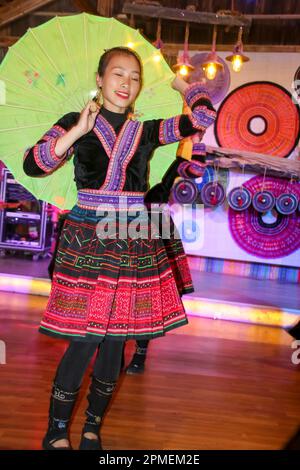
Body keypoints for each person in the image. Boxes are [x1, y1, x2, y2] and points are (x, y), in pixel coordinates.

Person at [23, 46, 216, 450]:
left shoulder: (146, 130)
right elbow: (33, 164)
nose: (126, 83)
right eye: (117, 74)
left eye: (134, 77)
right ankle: (56, 430)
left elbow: (201, 118)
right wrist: (77, 130)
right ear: (99, 78)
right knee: (85, 337)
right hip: (87, 235)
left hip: (131, 235)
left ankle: (93, 423)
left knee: (116, 339)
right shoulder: (72, 123)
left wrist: (179, 81)